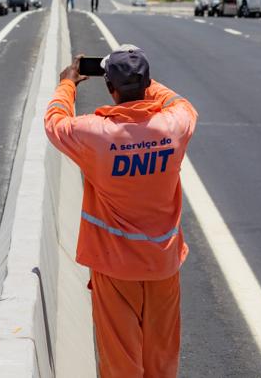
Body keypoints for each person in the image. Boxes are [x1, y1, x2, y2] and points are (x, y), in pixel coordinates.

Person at [44, 46, 198, 378]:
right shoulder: (174, 127)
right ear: (145, 85)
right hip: (162, 264)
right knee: (161, 357)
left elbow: (54, 121)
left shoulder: (93, 134)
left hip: (115, 268)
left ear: (111, 90)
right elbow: (180, 103)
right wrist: (142, 81)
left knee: (120, 362)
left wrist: (67, 84)